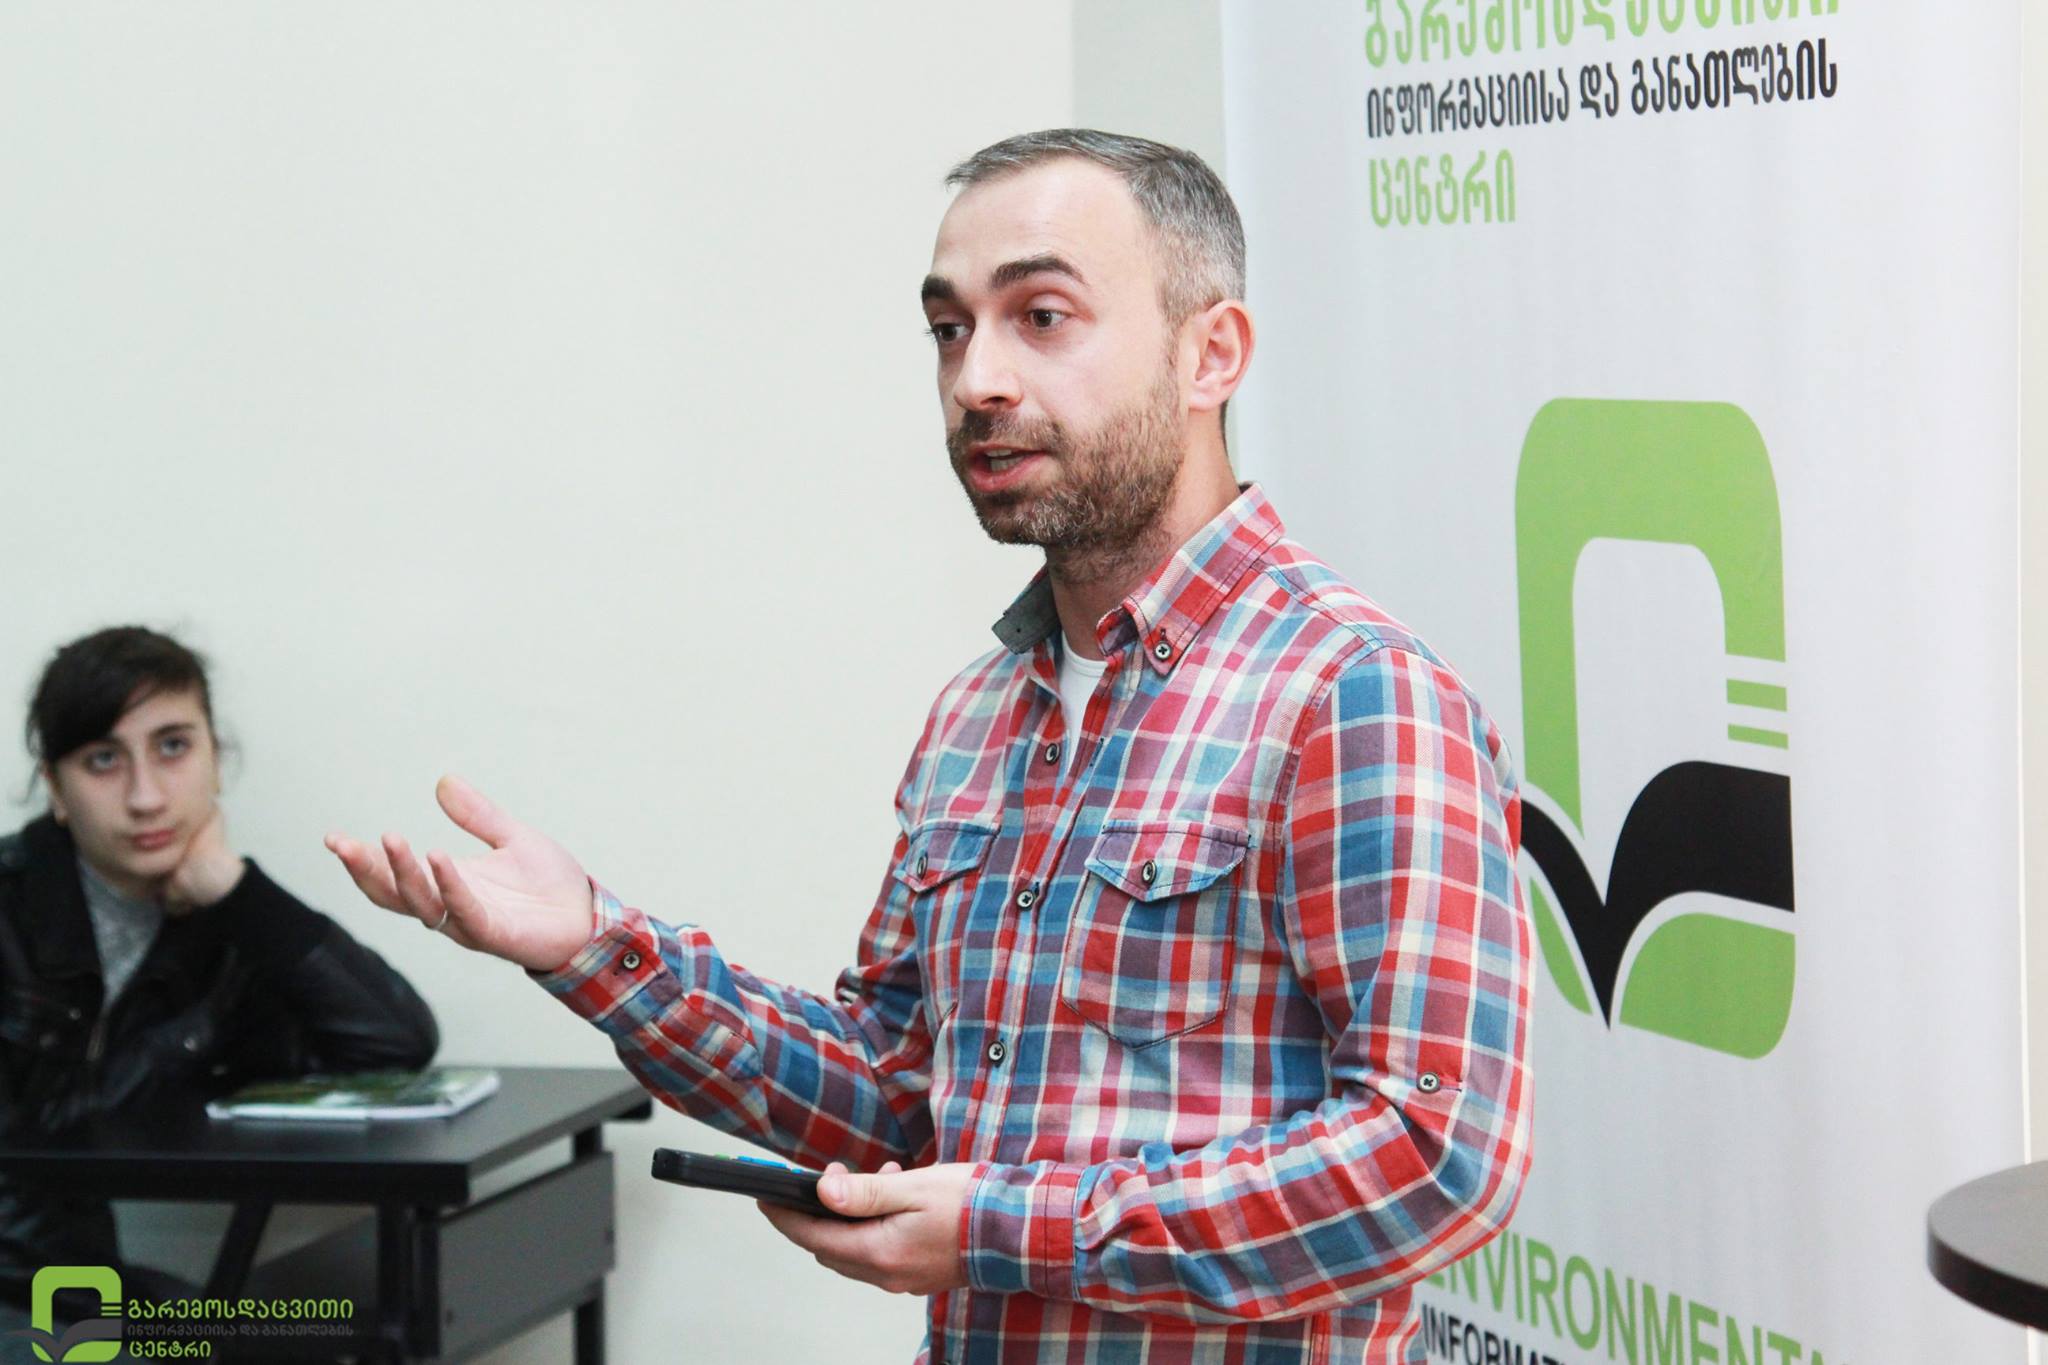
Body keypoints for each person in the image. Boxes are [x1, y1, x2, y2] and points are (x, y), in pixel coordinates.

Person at [328, 130, 1532, 1363]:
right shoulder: (977, 715)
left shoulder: (1353, 695)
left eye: (1042, 317)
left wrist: (1009, 1229)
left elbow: (1437, 1155)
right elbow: (899, 1094)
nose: (977, 380)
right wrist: (593, 944)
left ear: (1208, 353)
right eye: (949, 330)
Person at [0, 626, 438, 1331]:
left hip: (83, 1296)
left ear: (216, 760)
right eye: (103, 759)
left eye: (173, 746)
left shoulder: (224, 936)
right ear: (55, 788)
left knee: (344, 1321)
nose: (146, 796)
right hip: (40, 1298)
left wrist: (240, 891)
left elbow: (393, 1041)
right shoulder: (11, 910)